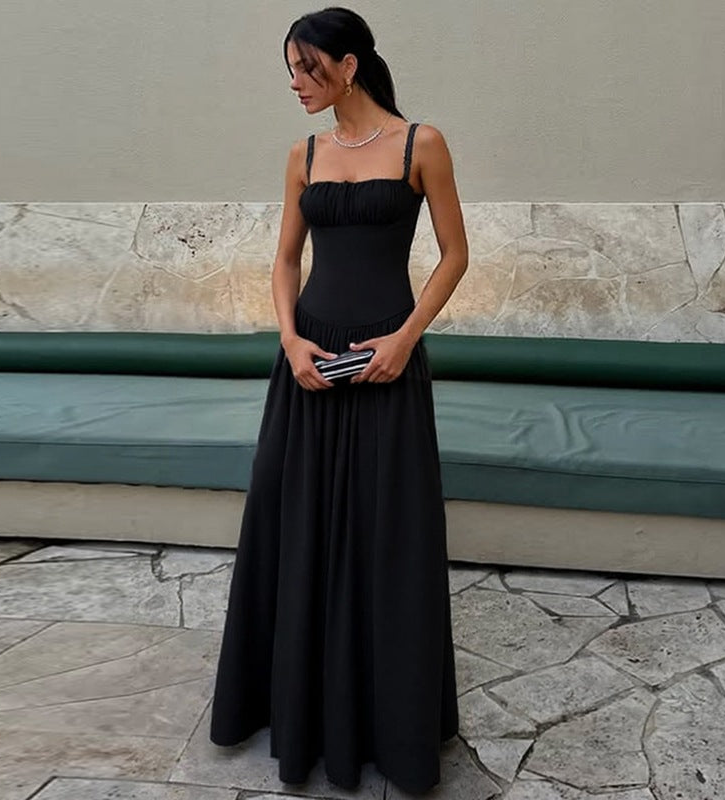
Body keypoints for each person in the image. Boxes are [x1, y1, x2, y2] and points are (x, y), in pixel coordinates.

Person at [209, 6, 468, 794]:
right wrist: (289, 340)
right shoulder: (304, 154)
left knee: (387, 533)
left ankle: (388, 721)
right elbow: (286, 261)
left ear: (348, 65)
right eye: (290, 69)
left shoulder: (422, 144)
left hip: (388, 358)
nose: (296, 82)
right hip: (310, 364)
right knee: (293, 524)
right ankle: (295, 708)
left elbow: (455, 255)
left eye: (307, 67)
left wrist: (406, 339)